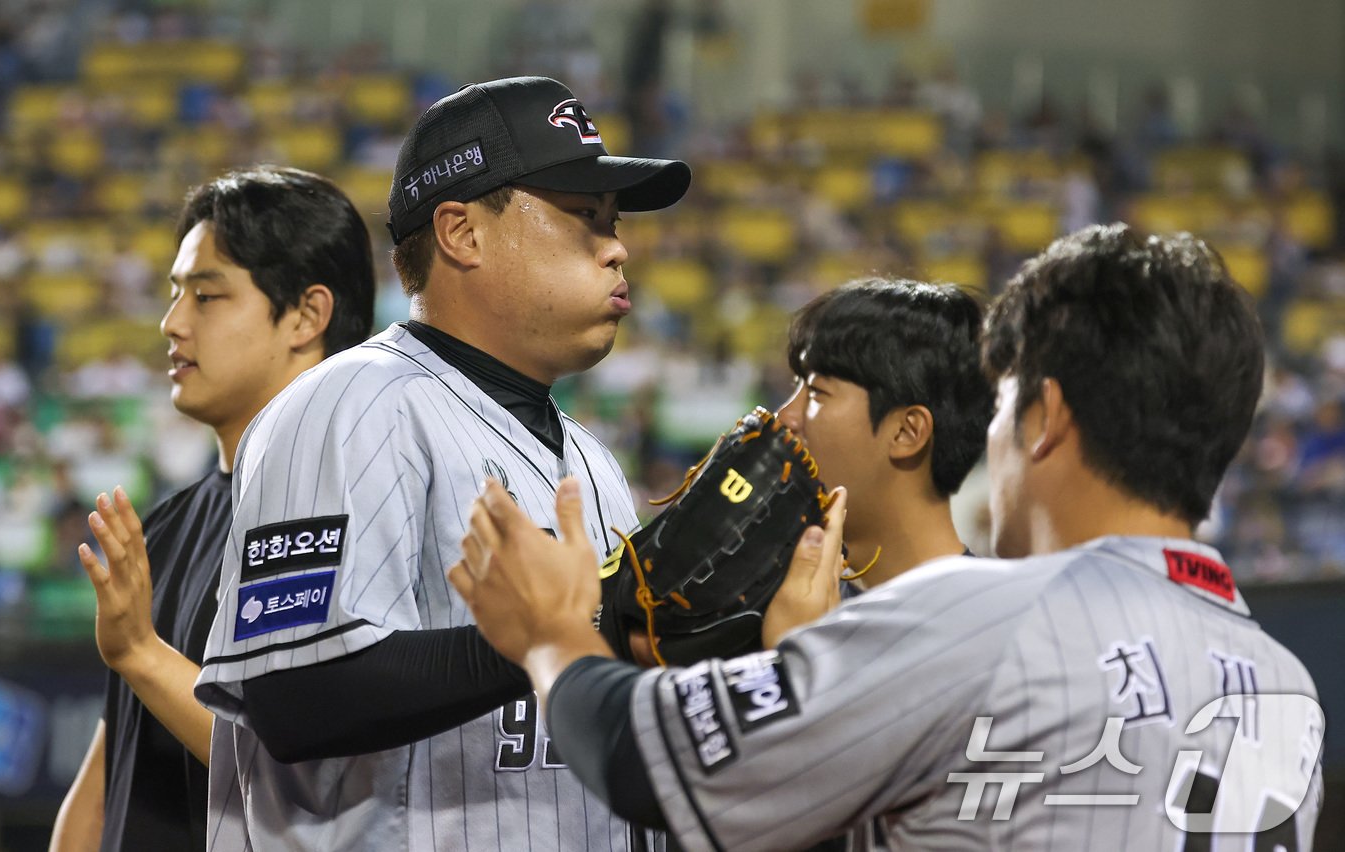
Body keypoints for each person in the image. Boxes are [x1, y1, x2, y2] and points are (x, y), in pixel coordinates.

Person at [450, 224, 1325, 850]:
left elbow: (638, 755)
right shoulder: (1284, 687)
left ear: (1047, 418)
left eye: (1005, 404)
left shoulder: (986, 618)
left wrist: (553, 634)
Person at [191, 76, 690, 851]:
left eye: (613, 221)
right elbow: (291, 692)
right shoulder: (351, 404)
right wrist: (546, 634)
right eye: (582, 215)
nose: (617, 246)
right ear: (461, 232)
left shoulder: (593, 460)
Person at [49, 166, 376, 852]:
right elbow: (108, 781)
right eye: (175, 294)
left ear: (307, 315)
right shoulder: (168, 525)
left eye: (206, 295)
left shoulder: (360, 514)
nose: (172, 323)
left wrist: (142, 653)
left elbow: (305, 772)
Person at [776, 278, 991, 591]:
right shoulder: (765, 600)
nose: (784, 418)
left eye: (816, 392)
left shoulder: (998, 617)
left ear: (906, 432)